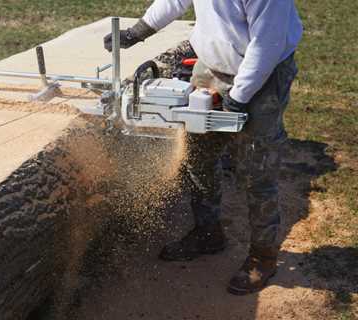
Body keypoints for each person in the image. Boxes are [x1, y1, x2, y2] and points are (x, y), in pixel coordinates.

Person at [104, 0, 303, 295]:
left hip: (264, 72)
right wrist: (140, 30)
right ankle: (208, 233)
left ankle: (264, 256)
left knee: (255, 169)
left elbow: (267, 45)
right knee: (197, 154)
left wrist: (237, 96)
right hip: (211, 65)